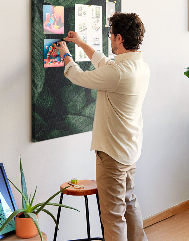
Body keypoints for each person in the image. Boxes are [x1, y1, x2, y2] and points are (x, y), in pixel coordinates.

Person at [54, 12, 149, 241]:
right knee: (129, 204)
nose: (109, 40)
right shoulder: (140, 67)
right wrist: (81, 43)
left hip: (112, 154)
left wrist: (66, 55)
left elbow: (79, 77)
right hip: (129, 150)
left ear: (119, 38)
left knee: (113, 216)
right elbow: (104, 63)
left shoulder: (117, 73)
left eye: (110, 36)